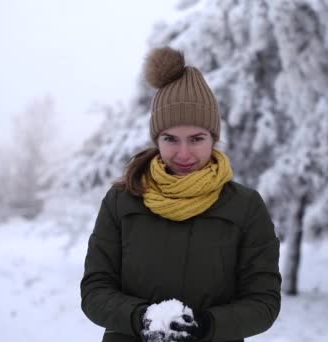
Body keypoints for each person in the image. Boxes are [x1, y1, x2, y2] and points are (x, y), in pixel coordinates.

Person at [80, 46, 281, 342]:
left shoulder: (245, 206)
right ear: (156, 139)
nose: (183, 153)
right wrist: (141, 319)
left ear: (213, 138)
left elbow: (264, 301)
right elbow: (95, 291)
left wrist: (209, 325)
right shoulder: (122, 201)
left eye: (197, 139)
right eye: (170, 139)